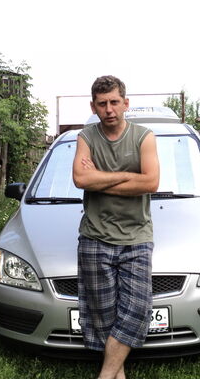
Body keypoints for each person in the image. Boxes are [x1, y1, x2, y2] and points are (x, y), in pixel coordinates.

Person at [73, 75, 160, 379]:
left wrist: (100, 178)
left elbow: (151, 182)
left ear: (125, 103)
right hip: (95, 236)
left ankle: (105, 376)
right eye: (102, 103)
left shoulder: (144, 137)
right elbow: (81, 179)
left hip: (137, 237)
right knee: (103, 314)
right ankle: (116, 374)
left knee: (136, 309)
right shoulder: (86, 137)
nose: (109, 109)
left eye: (114, 102)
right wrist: (128, 177)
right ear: (93, 107)